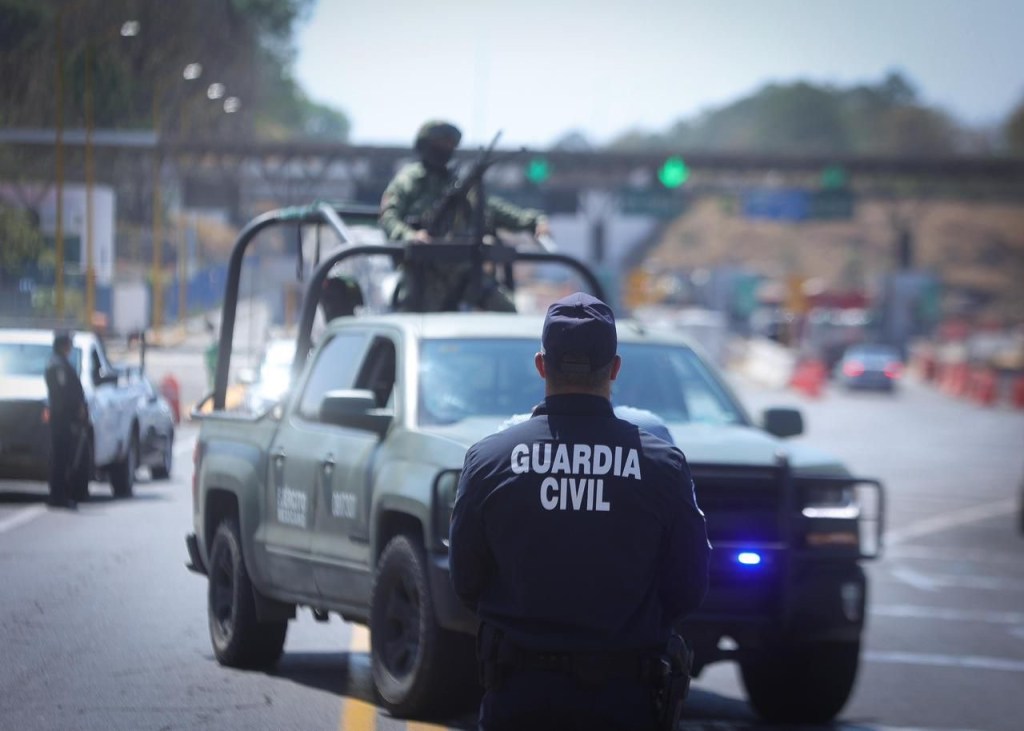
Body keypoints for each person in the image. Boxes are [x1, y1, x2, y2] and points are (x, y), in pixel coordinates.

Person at [449, 292, 711, 731]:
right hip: (625, 698)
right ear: (614, 369)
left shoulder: (488, 459)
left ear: (540, 365)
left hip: (518, 694)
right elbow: (689, 586)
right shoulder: (663, 465)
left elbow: (466, 580)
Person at [378, 120, 550, 312]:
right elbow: (388, 216)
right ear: (425, 145)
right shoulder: (409, 181)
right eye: (439, 144)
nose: (445, 149)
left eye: (449, 145)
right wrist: (411, 236)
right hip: (424, 272)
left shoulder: (458, 185)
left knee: (507, 310)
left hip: (464, 271)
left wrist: (533, 221)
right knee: (416, 323)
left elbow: (492, 209)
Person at [44, 331, 89, 509]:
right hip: (63, 420)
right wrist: (76, 409)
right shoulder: (58, 366)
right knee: (61, 459)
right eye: (68, 343)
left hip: (63, 419)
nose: (70, 347)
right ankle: (58, 496)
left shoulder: (60, 363)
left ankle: (59, 494)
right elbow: (64, 393)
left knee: (63, 457)